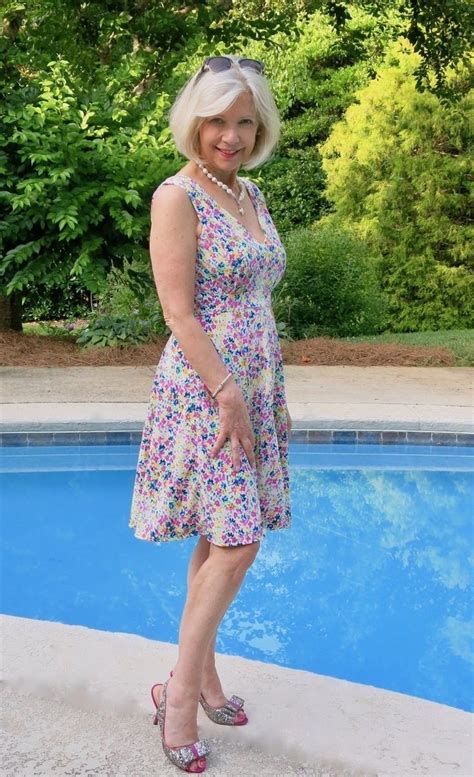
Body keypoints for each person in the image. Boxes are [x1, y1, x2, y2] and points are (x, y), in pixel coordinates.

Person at [129, 54, 292, 773]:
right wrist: (229, 390)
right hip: (207, 390)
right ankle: (180, 700)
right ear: (194, 122)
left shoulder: (249, 194)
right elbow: (179, 311)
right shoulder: (177, 196)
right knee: (237, 542)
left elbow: (259, 294)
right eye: (217, 120)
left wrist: (260, 391)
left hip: (254, 386)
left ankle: (203, 678)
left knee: (219, 537)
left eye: (244, 121)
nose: (229, 134)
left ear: (259, 129)